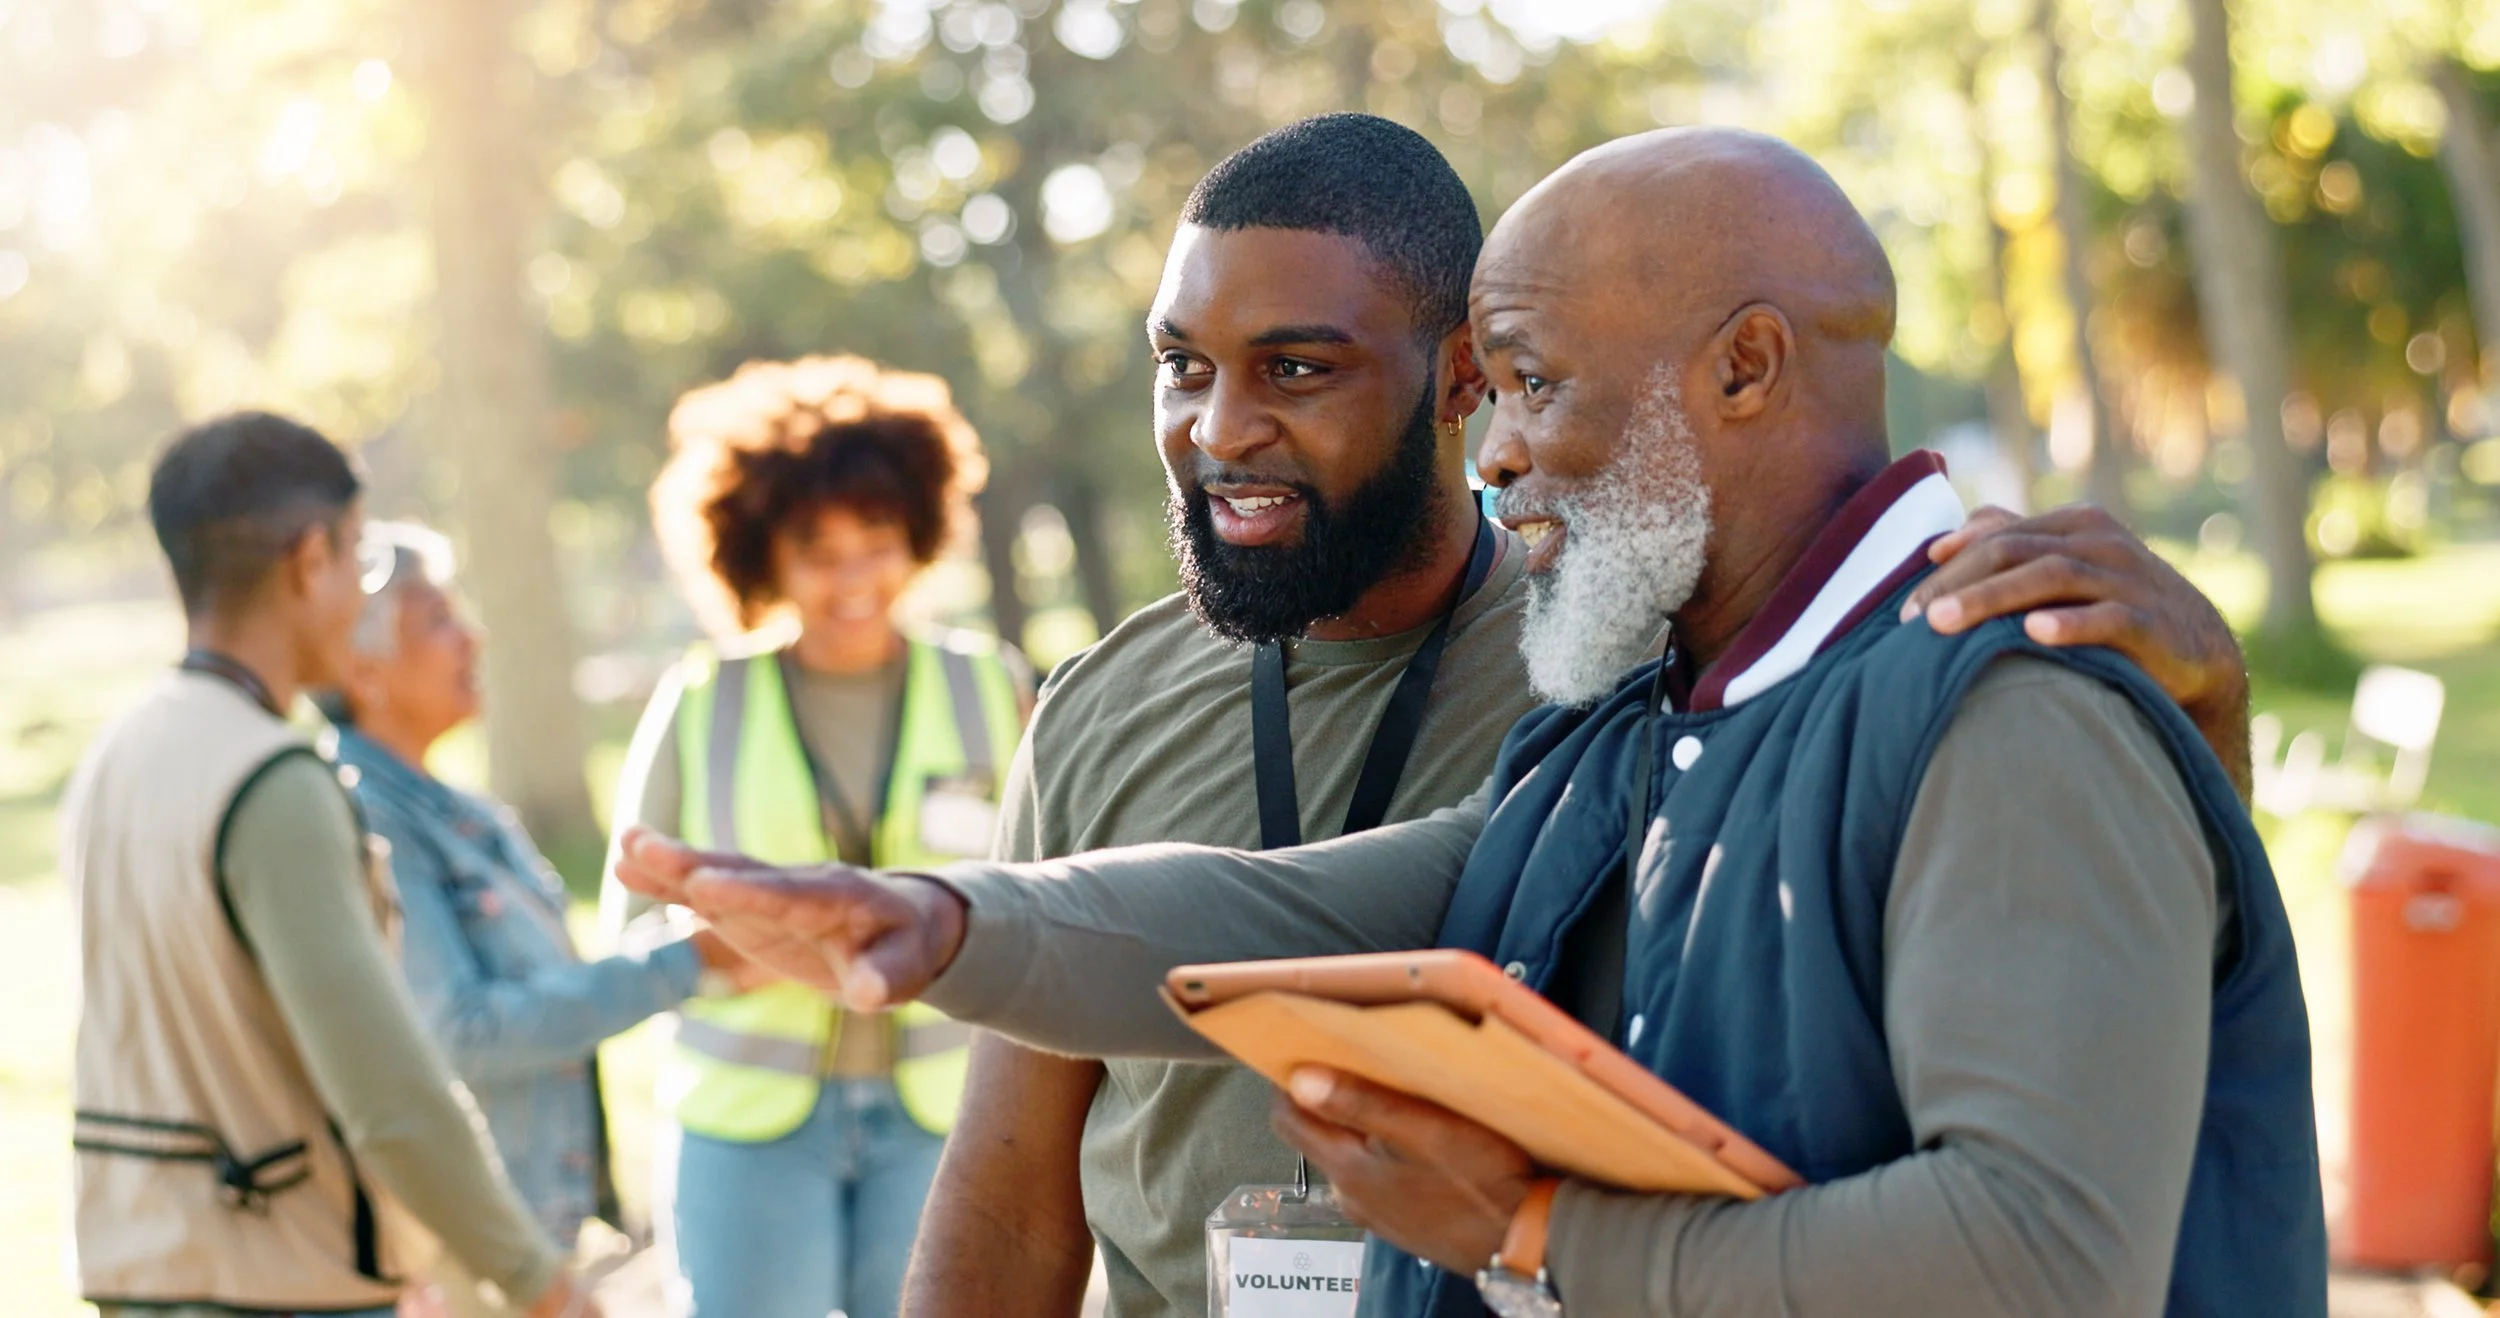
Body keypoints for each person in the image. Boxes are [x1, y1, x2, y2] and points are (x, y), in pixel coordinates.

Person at [620, 127, 2327, 1318]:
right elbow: (1296, 911)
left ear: (1744, 369)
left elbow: (2038, 1257)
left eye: (1528, 380)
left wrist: (1529, 1231)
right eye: (1493, 388)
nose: (1492, 446)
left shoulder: (2005, 702)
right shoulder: (1647, 720)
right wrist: (934, 919)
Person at [62, 412, 599, 1318]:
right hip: (279, 1277)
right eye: (356, 560)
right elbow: (388, 1090)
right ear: (311, 559)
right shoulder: (273, 784)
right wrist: (531, 1276)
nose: (359, 594)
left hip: (142, 1266)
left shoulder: (120, 750)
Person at [601, 355, 1031, 1318]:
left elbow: (1046, 889)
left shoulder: (989, 686)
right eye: (816, 550)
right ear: (761, 555)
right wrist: (721, 953)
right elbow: (628, 924)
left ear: (917, 533)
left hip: (944, 1119)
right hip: (750, 1130)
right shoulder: (701, 699)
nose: (851, 578)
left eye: (875, 540)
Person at [312, 520, 768, 1316]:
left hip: (529, 1223)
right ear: (363, 670)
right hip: (458, 1250)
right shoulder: (365, 818)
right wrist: (687, 963)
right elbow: (463, 1033)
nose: (472, 637)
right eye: (438, 622)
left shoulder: (461, 809)